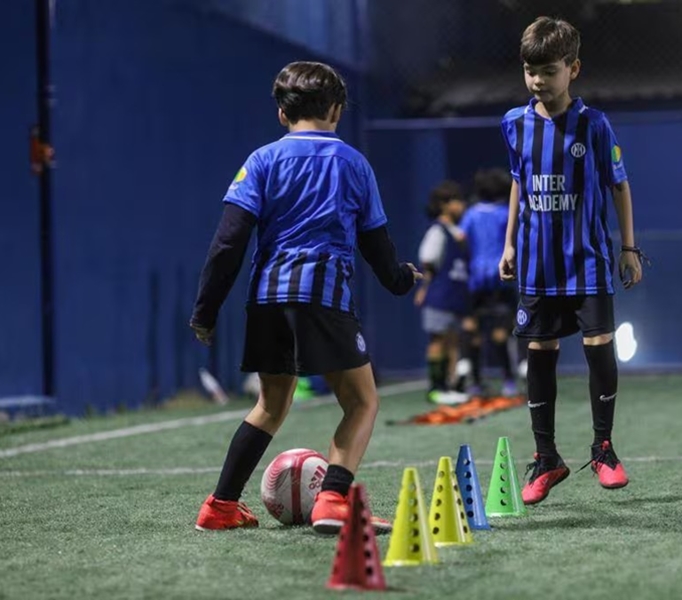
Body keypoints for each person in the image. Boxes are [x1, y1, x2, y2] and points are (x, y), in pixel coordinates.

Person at [189, 61, 421, 533]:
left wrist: (205, 310)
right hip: (323, 297)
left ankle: (220, 506)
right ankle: (333, 499)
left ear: (281, 113)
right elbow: (376, 245)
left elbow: (228, 242)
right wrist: (401, 280)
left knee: (271, 406)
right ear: (337, 109)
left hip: (268, 299)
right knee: (361, 402)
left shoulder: (261, 161)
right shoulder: (354, 164)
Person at [498, 17, 647, 505]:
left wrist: (628, 248)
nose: (538, 79)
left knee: (598, 346)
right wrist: (509, 243)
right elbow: (519, 181)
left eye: (549, 70)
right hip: (538, 266)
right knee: (539, 354)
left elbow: (618, 185)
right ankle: (547, 458)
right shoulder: (514, 125)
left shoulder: (594, 125)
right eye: (530, 70)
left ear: (573, 69)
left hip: (586, 261)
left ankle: (603, 449)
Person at [457, 168, 522, 398]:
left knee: (473, 330)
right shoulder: (505, 213)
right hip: (501, 278)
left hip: (476, 281)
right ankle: (508, 380)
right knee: (500, 332)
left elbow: (460, 239)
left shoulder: (471, 214)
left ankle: (475, 382)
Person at [414, 181, 471, 405]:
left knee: (452, 340)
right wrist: (424, 289)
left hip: (454, 295)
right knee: (438, 339)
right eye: (457, 201)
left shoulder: (456, 232)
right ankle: (435, 388)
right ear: (445, 205)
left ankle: (449, 385)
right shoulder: (437, 231)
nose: (462, 205)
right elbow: (428, 260)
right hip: (440, 294)